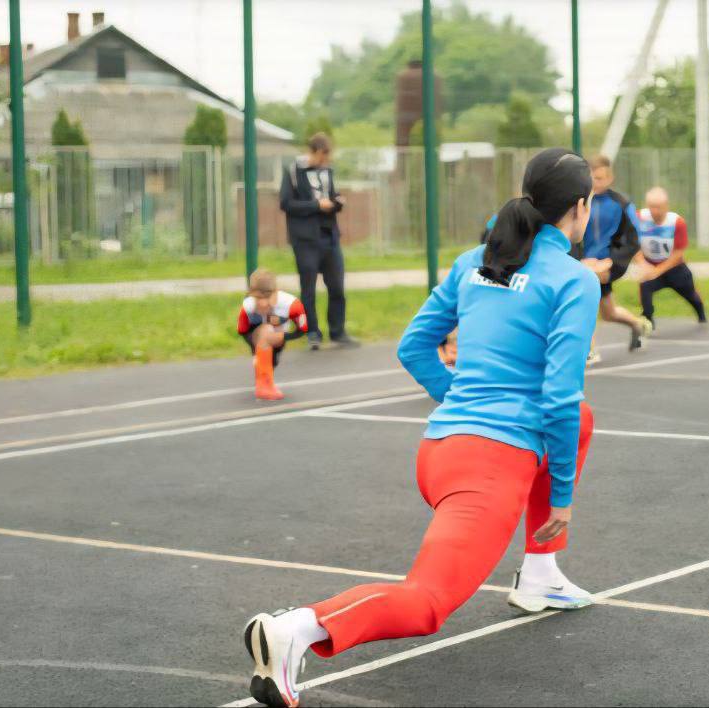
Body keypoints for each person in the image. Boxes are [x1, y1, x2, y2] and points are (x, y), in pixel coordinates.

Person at [242, 149, 602, 708]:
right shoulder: (575, 281)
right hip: (489, 468)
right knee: (427, 603)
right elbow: (556, 397)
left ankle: (541, 573)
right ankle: (299, 628)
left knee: (580, 422)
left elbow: (413, 346)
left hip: (440, 450)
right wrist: (560, 501)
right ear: (581, 207)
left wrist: (458, 397)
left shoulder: (472, 261)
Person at [279, 132, 358, 350]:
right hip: (305, 239)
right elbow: (286, 203)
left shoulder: (328, 172)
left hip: (329, 237)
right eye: (323, 156)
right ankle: (312, 333)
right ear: (314, 152)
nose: (326, 160)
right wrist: (316, 206)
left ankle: (338, 331)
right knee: (308, 289)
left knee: (337, 287)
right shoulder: (294, 171)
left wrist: (336, 202)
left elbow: (331, 196)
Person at [578, 155, 648, 363]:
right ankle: (638, 325)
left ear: (610, 178)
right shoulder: (579, 204)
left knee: (583, 296)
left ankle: (590, 350)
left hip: (612, 263)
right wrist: (582, 260)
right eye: (591, 178)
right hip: (585, 264)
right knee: (608, 313)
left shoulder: (622, 204)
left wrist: (611, 260)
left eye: (599, 178)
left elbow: (634, 240)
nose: (595, 183)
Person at [632, 186, 707, 330]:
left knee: (691, 295)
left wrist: (658, 270)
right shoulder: (639, 218)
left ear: (666, 206)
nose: (655, 211)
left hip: (675, 269)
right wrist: (642, 263)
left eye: (659, 207)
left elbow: (678, 253)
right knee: (645, 287)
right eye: (652, 207)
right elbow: (632, 243)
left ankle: (702, 316)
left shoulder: (676, 222)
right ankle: (648, 321)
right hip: (651, 265)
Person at [236, 269, 308, 401]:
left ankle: (265, 376)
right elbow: (242, 331)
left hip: (279, 336)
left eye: (267, 298)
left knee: (272, 361)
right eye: (258, 298)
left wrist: (283, 337)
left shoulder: (292, 305)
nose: (262, 303)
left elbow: (302, 330)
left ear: (275, 293)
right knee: (266, 330)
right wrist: (256, 351)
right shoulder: (247, 307)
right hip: (259, 333)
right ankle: (263, 386)